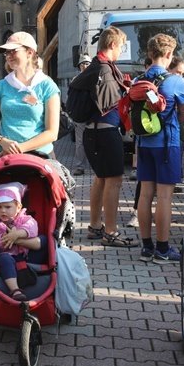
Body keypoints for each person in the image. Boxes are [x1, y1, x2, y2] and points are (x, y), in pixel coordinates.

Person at [70, 26, 137, 248]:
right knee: (114, 181)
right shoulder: (105, 70)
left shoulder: (97, 67)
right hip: (105, 133)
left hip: (93, 133)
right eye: (121, 46)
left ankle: (95, 226)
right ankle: (110, 231)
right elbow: (110, 104)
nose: (121, 51)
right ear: (112, 45)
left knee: (101, 178)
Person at [136, 34, 184, 263]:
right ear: (170, 54)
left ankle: (146, 247)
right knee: (165, 197)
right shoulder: (176, 81)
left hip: (143, 143)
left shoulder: (139, 79)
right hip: (167, 143)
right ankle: (162, 249)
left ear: (149, 54)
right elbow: (182, 115)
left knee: (144, 195)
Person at [0, 31, 61, 158]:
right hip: (5, 156)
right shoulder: (0, 87)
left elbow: (52, 133)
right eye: (6, 52)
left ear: (29, 52)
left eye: (13, 51)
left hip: (40, 156)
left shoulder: (47, 86)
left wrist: (19, 148)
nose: (8, 56)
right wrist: (3, 142)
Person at [0, 182, 39, 301]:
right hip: (9, 256)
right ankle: (15, 289)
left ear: (18, 207)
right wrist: (4, 239)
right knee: (4, 258)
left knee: (44, 241)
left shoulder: (25, 219)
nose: (3, 211)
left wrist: (16, 235)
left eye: (7, 207)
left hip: (27, 254)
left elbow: (32, 228)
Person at [72, 54, 92, 175]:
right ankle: (80, 166)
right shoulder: (75, 80)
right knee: (80, 142)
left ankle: (96, 165)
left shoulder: (95, 78)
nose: (85, 66)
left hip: (92, 115)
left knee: (94, 141)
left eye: (87, 63)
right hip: (80, 115)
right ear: (79, 66)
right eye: (82, 64)